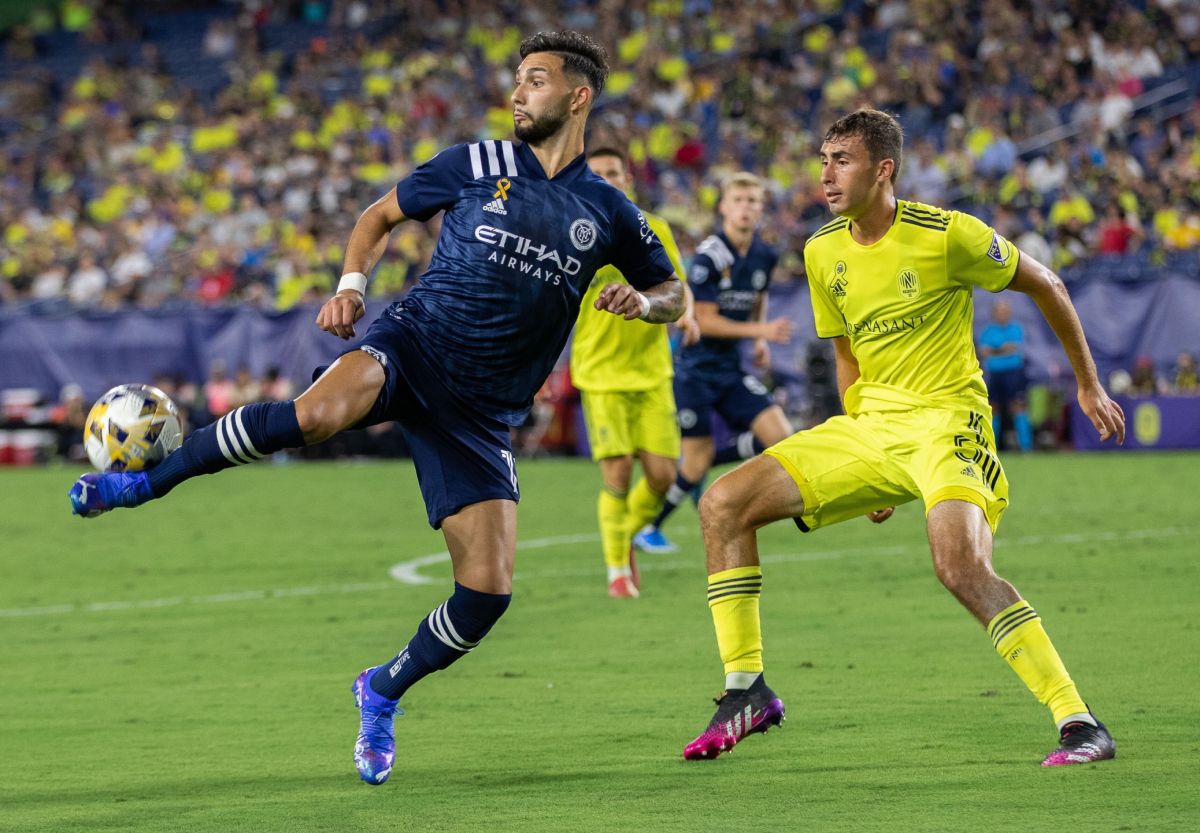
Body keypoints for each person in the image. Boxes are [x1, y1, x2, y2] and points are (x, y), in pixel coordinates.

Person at [68, 31, 684, 786]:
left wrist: (647, 301)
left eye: (534, 81)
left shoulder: (612, 211)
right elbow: (378, 215)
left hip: (482, 411)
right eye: (517, 81)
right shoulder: (474, 163)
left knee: (487, 593)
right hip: (413, 342)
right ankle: (141, 482)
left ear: (577, 95)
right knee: (318, 415)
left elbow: (675, 290)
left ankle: (381, 688)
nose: (517, 94)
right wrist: (353, 285)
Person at [681, 109, 1125, 767]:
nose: (825, 174)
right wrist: (866, 463)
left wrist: (1088, 384)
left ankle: (1079, 720)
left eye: (842, 160)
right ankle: (745, 689)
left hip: (950, 421)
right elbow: (846, 357)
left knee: (960, 566)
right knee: (722, 503)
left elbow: (1047, 283)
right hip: (871, 427)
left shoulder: (947, 235)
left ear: (882, 169)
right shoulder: (821, 249)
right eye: (823, 158)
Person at [633, 172, 794, 554]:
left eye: (753, 201)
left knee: (783, 438)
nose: (745, 208)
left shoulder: (764, 255)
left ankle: (711, 469)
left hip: (731, 370)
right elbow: (703, 320)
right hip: (695, 373)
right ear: (723, 207)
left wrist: (758, 340)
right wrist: (762, 329)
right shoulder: (709, 256)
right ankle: (650, 528)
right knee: (696, 461)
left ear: (761, 208)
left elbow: (758, 296)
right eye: (738, 201)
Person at [571, 145, 701, 598]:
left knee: (664, 476)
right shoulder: (575, 231)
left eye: (614, 173)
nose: (607, 180)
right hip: (601, 373)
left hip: (651, 372)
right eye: (598, 174)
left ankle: (623, 534)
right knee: (618, 474)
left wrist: (688, 316)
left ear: (628, 178)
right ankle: (617, 572)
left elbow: (677, 287)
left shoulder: (654, 229)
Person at [977, 299, 1033, 452]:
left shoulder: (1016, 329)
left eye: (1005, 311)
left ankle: (1026, 447)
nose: (1003, 314)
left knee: (1018, 407)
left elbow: (1012, 348)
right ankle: (992, 447)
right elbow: (984, 351)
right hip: (995, 374)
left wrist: (995, 351)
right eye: (1000, 311)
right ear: (994, 313)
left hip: (1013, 373)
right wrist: (1002, 350)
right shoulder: (988, 331)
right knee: (993, 408)